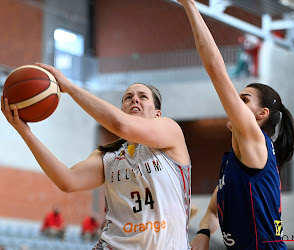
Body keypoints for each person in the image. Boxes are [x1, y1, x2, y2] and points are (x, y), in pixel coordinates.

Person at [1, 63, 191, 249]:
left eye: (143, 97)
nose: (134, 100)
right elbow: (67, 181)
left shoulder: (170, 131)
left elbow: (121, 125)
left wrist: (69, 87)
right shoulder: (109, 156)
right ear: (122, 109)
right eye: (128, 98)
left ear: (157, 114)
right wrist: (25, 132)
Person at [177, 0, 294, 249]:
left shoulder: (255, 139)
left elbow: (215, 68)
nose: (235, 104)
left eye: (244, 100)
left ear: (261, 114)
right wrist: (203, 233)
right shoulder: (237, 160)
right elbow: (212, 210)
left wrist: (189, 5)